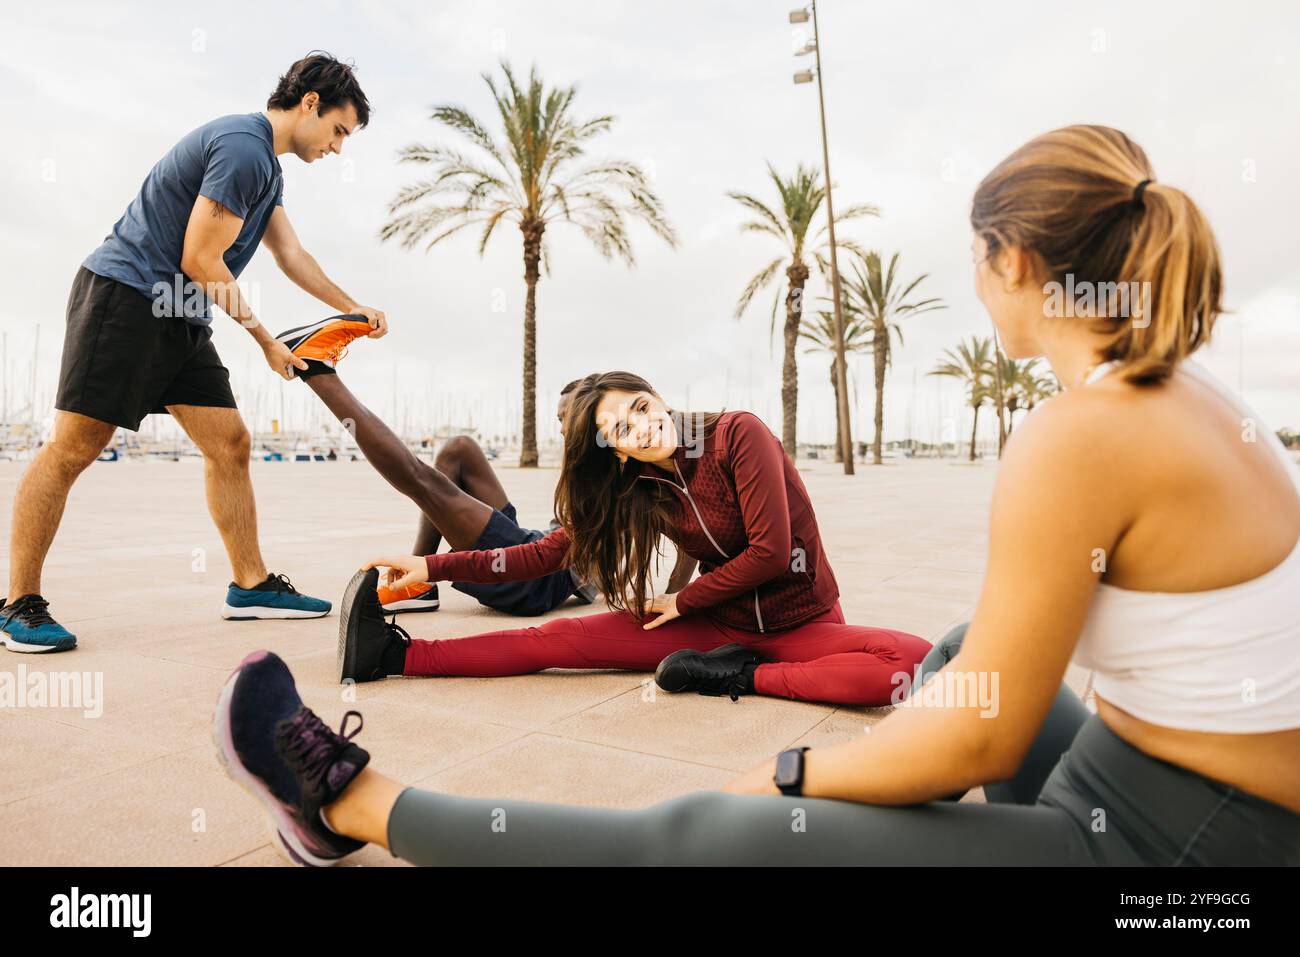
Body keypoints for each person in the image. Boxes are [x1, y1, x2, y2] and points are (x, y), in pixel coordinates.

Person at [215, 125, 1300, 865]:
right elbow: (548, 553)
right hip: (1153, 771)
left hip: (1185, 851)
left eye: (972, 259)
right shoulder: (1177, 392)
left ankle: (346, 804)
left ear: (1011, 262)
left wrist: (792, 777)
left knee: (726, 834)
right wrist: (442, 570)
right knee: (957, 649)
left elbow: (968, 731)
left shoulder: (1080, 434)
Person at [1, 53, 385, 653]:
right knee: (75, 447)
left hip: (181, 313)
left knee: (229, 443)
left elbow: (292, 256)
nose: (338, 148)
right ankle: (17, 604)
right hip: (126, 299)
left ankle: (251, 585)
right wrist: (266, 340)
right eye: (339, 130)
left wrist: (352, 307)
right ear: (310, 104)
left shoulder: (267, 169)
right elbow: (200, 260)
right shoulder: (243, 148)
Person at [335, 369, 930, 704]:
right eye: (622, 428)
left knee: (911, 661)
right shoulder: (637, 482)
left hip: (801, 621)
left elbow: (771, 553)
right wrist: (435, 569)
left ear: (660, 398)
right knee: (557, 639)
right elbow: (543, 554)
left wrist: (683, 600)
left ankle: (737, 675)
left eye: (643, 408)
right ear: (613, 452)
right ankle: (394, 655)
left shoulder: (736, 435)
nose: (643, 427)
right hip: (719, 625)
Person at [269, 331, 681, 617]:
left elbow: (689, 531)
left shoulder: (628, 466)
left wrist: (677, 598)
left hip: (536, 581)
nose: (560, 427)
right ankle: (422, 582)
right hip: (536, 545)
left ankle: (319, 370)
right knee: (458, 449)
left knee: (422, 480)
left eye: (566, 419)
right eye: (558, 419)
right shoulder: (598, 460)